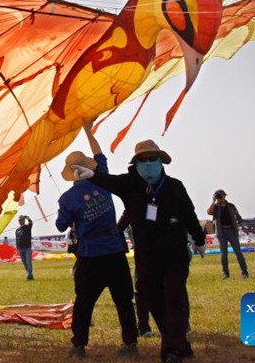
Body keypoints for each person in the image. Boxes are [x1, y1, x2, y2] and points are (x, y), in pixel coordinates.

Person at [72, 139, 205, 363]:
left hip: (174, 256)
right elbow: (109, 181)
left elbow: (190, 216)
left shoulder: (174, 187)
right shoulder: (130, 185)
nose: (148, 163)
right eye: (143, 160)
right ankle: (179, 344)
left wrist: (199, 240)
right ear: (137, 164)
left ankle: (172, 351)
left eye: (153, 159)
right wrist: (92, 175)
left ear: (161, 161)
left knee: (174, 298)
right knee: (154, 301)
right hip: (147, 259)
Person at [56, 120, 138, 359]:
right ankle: (131, 343)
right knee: (124, 299)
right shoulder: (102, 180)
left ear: (71, 173)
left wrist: (70, 213)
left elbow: (61, 225)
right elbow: (99, 153)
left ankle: (79, 346)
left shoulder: (68, 198)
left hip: (90, 254)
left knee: (84, 302)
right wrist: (87, 129)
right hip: (114, 250)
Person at [117, 209, 153, 337]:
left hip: (144, 253)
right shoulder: (166, 195)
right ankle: (181, 323)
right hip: (160, 250)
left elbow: (120, 226)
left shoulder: (134, 201)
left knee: (142, 289)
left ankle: (143, 325)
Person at [207, 190, 249, 279]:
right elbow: (209, 212)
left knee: (238, 252)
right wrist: (213, 201)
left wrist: (244, 226)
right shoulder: (216, 207)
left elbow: (238, 217)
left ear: (224, 196)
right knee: (223, 254)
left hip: (232, 231)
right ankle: (225, 273)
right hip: (221, 232)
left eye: (220, 196)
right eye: (218, 197)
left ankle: (244, 272)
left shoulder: (231, 206)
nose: (219, 198)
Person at [15, 215, 34, 280]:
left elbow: (31, 223)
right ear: (18, 221)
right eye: (20, 220)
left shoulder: (27, 227)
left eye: (22, 220)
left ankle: (29, 274)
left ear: (24, 220)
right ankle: (29, 273)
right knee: (24, 262)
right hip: (20, 248)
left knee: (28, 261)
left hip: (27, 247)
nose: (21, 221)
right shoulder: (17, 230)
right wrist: (17, 247)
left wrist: (28, 218)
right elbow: (17, 239)